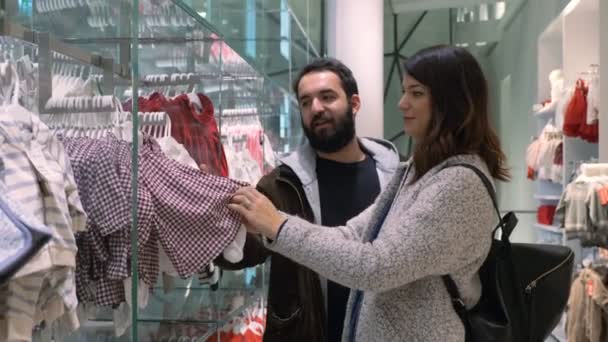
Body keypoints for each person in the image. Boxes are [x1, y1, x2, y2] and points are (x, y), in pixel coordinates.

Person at [228, 45, 511, 342]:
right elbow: (353, 234)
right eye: (305, 101)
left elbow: (376, 266)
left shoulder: (458, 184)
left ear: (450, 101)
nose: (401, 104)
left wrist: (278, 226)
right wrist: (265, 224)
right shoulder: (418, 171)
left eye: (416, 93)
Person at [218, 57, 399, 341]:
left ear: (354, 104)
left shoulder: (395, 179)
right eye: (306, 101)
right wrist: (209, 207)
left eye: (327, 97)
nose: (316, 108)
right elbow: (241, 252)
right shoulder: (281, 185)